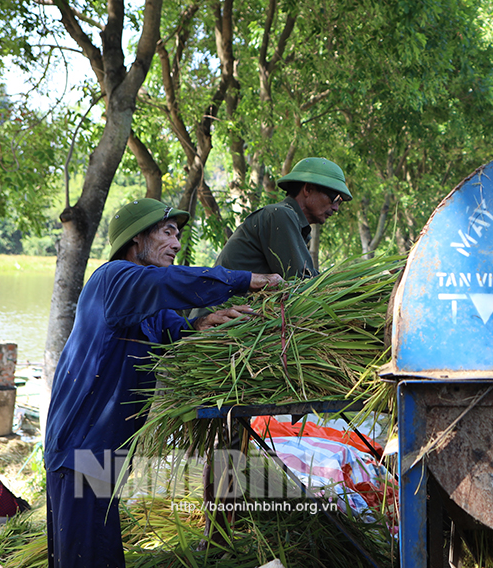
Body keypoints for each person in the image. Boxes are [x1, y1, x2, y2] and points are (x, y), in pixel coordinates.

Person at [44, 198, 283, 568]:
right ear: (136, 239)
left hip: (106, 450)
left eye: (178, 235)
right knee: (84, 555)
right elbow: (168, 282)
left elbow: (175, 328)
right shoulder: (114, 279)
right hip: (80, 449)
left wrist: (200, 325)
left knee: (100, 551)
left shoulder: (145, 303)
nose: (176, 243)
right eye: (167, 232)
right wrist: (246, 279)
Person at [215, 157, 352, 279]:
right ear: (308, 189)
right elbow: (299, 283)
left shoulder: (293, 224)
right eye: (334, 199)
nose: (336, 208)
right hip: (219, 307)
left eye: (339, 203)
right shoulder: (280, 215)